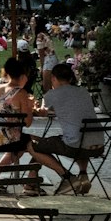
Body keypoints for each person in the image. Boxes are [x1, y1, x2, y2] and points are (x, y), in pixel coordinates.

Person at [29, 62, 101, 195]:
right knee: (79, 136)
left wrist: (34, 107)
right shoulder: (83, 92)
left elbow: (42, 112)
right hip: (97, 144)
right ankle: (83, 175)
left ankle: (67, 177)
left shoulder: (54, 94)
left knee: (33, 144)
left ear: (54, 79)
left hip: (74, 145)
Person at [0, 55, 37, 194]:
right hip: (7, 139)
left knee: (23, 142)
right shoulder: (21, 93)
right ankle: (31, 182)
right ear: (23, 75)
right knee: (37, 144)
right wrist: (30, 107)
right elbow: (28, 122)